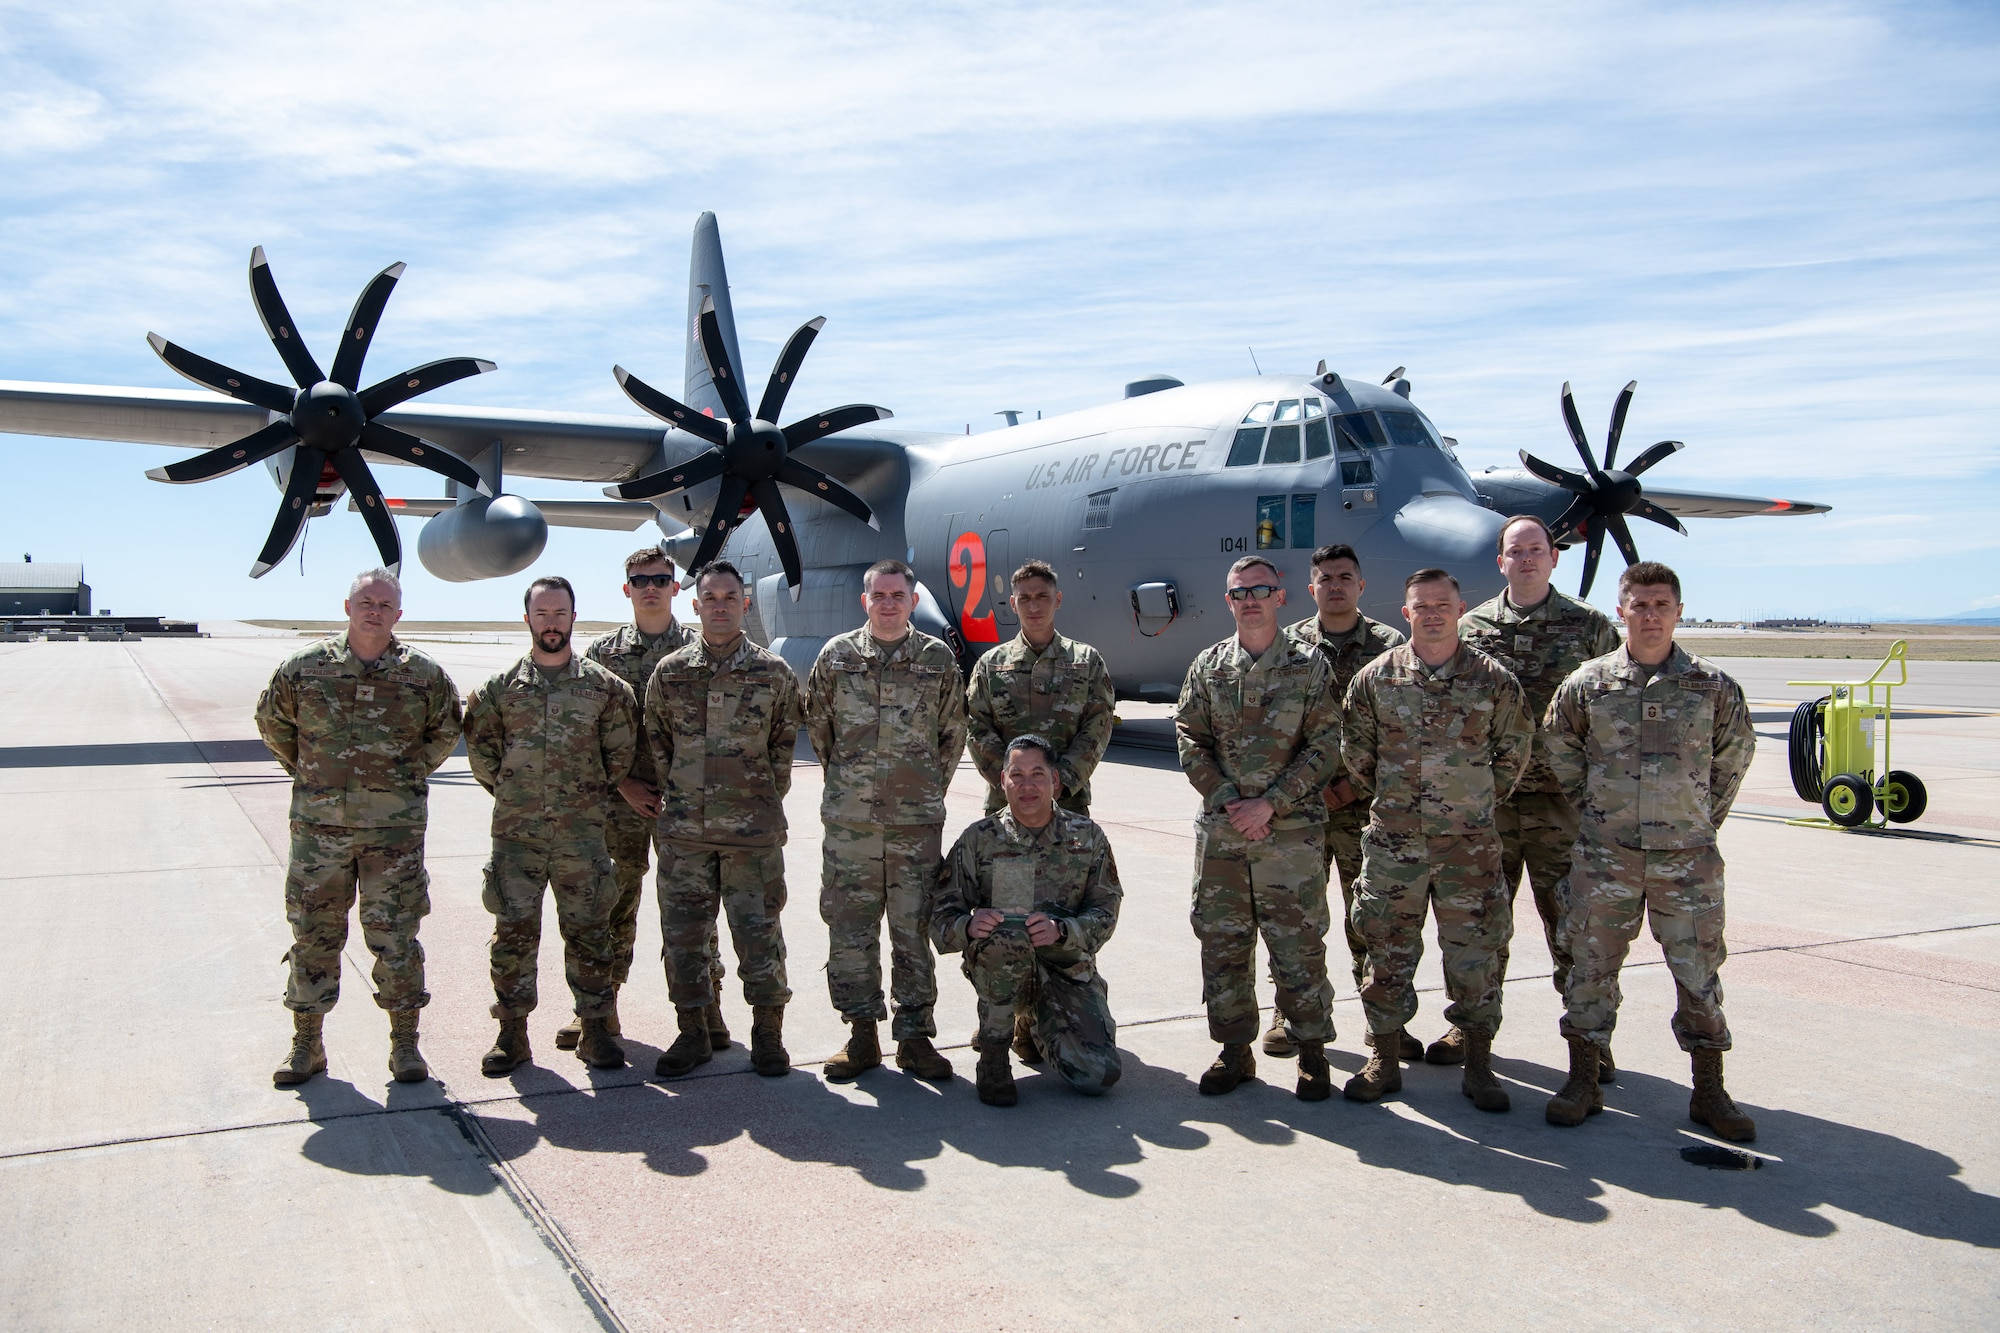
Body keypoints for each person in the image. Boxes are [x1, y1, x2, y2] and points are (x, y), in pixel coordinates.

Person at [1542, 562, 1758, 1140]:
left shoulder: (1711, 686)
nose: (1650, 615)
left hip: (1686, 862)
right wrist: (1596, 807)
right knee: (1589, 967)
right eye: (1639, 604)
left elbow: (1734, 755)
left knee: (1698, 972)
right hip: (1605, 856)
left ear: (1679, 611)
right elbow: (1558, 744)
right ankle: (1584, 1078)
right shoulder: (1590, 683)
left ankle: (1709, 1089)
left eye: (1661, 604)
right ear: (1622, 611)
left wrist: (1697, 820)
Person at [256, 569, 462, 1087]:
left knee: (396, 937)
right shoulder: (304, 669)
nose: (374, 610)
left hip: (393, 837)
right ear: (346, 607)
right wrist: (312, 776)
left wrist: (400, 778)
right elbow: (273, 724)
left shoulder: (423, 675)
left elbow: (444, 733)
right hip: (319, 833)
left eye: (384, 604)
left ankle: (405, 1043)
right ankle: (307, 1043)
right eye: (365, 601)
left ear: (399, 614)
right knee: (313, 935)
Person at [1340, 568, 1530, 1110]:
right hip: (1395, 842)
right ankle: (1383, 1054)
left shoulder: (1493, 681)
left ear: (1459, 608)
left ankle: (1479, 1063)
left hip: (1468, 846)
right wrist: (1399, 801)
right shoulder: (1376, 679)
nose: (1431, 613)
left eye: (1441, 604)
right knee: (1386, 950)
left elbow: (1513, 754)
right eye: (1420, 605)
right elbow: (1357, 754)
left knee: (1475, 954)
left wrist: (1469, 804)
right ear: (1406, 613)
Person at [1454, 516, 1623, 1071]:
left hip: (1563, 805)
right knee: (1480, 924)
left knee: (1573, 927)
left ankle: (1589, 1038)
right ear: (1499, 562)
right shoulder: (1471, 628)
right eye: (1514, 551)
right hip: (1491, 805)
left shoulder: (1591, 627)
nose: (1525, 559)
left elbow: (1617, 707)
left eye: (1535, 549)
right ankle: (1472, 1029)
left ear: (1554, 557)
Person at [1174, 556, 1343, 1102]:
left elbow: (1324, 746)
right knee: (1223, 945)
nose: (1249, 599)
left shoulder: (1310, 667)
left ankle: (1312, 1051)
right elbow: (1189, 736)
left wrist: (1270, 803)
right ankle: (1234, 1051)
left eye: (1260, 590)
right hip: (1224, 837)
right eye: (1239, 592)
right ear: (1228, 602)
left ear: (1280, 597)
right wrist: (1228, 800)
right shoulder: (1208, 667)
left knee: (1298, 945)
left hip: (1289, 837)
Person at [464, 576, 638, 1075]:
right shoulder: (498, 691)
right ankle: (512, 1034)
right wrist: (516, 793)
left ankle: (595, 1029)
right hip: (516, 838)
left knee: (589, 934)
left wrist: (582, 796)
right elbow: (482, 755)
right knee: (513, 934)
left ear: (573, 619)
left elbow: (619, 755)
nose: (551, 623)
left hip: (581, 835)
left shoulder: (606, 689)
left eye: (560, 613)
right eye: (542, 614)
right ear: (527, 620)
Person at [804, 559, 967, 1082]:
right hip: (851, 823)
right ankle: (860, 1034)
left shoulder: (937, 658)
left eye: (898, 594)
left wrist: (920, 792)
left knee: (913, 929)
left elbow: (951, 735)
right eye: (880, 595)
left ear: (913, 601)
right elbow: (821, 731)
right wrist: (853, 787)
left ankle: (915, 1036)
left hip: (915, 825)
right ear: (865, 600)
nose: (889, 603)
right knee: (850, 928)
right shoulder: (838, 657)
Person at [647, 562, 803, 1079]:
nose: (718, 604)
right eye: (709, 596)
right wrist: (683, 799)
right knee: (684, 937)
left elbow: (782, 750)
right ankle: (694, 1031)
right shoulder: (670, 672)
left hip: (751, 834)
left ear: (745, 603)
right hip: (685, 833)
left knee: (759, 935)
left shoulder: (773, 674)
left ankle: (767, 1033)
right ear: (694, 604)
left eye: (729, 596)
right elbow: (658, 745)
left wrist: (755, 799)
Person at [963, 558, 1115, 1063]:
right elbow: (978, 728)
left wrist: (1059, 782)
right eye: (1024, 598)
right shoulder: (992, 665)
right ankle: (1012, 1018)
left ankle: (1058, 1003)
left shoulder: (1085, 662)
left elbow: (1098, 726)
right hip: (1008, 823)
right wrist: (1012, 787)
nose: (1033, 605)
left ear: (1057, 601)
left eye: (1041, 597)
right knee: (1010, 918)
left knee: (1064, 917)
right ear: (1013, 604)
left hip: (1067, 814)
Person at [575, 548, 724, 1054]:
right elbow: (586, 733)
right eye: (641, 580)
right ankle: (599, 1007)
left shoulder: (700, 648)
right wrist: (623, 784)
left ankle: (708, 1007)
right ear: (627, 589)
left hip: (686, 802)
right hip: (623, 801)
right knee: (613, 903)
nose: (652, 588)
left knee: (694, 907)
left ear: (676, 588)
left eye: (662, 578)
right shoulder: (601, 654)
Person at [1268, 543, 1412, 1062]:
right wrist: (1301, 790)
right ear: (1311, 589)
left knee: (1370, 917)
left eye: (1345, 577)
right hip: (1299, 810)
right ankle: (1291, 1011)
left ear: (1361, 585)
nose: (1335, 585)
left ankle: (1383, 1023)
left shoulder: (1390, 644)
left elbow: (1399, 731)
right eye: (1325, 578)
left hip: (1365, 810)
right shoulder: (1289, 645)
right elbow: (1278, 730)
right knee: (1296, 916)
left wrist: (1351, 787)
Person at [933, 734, 1124, 1106]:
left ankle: (1032, 1022)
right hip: (1001, 970)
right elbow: (942, 912)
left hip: (1066, 971)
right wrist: (967, 926)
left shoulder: (1087, 838)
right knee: (1008, 939)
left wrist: (1063, 931)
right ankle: (993, 1055)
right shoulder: (979, 840)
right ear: (1001, 780)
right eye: (1016, 774)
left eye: (1037, 774)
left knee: (1097, 1075)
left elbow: (1106, 911)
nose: (1027, 785)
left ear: (1055, 781)